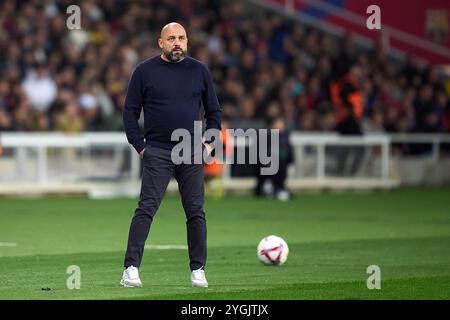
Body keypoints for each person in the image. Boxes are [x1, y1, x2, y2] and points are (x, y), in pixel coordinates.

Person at [120, 22, 222, 288]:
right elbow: (129, 113)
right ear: (161, 43)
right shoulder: (144, 71)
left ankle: (198, 270)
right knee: (146, 209)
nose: (178, 42)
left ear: (187, 41)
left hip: (191, 151)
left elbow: (214, 112)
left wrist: (209, 143)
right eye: (172, 38)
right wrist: (141, 146)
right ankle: (130, 268)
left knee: (195, 211)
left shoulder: (200, 70)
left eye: (182, 38)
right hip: (158, 151)